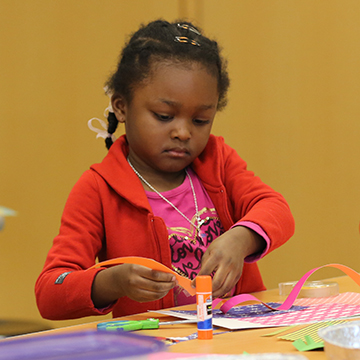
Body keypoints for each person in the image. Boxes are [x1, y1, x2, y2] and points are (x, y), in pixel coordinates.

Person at [35, 19, 295, 320]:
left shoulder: (217, 160)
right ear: (121, 106)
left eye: (200, 121)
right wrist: (113, 281)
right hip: (157, 347)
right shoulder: (99, 188)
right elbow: (49, 293)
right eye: (163, 116)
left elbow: (277, 209)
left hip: (235, 341)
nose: (183, 132)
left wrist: (241, 238)